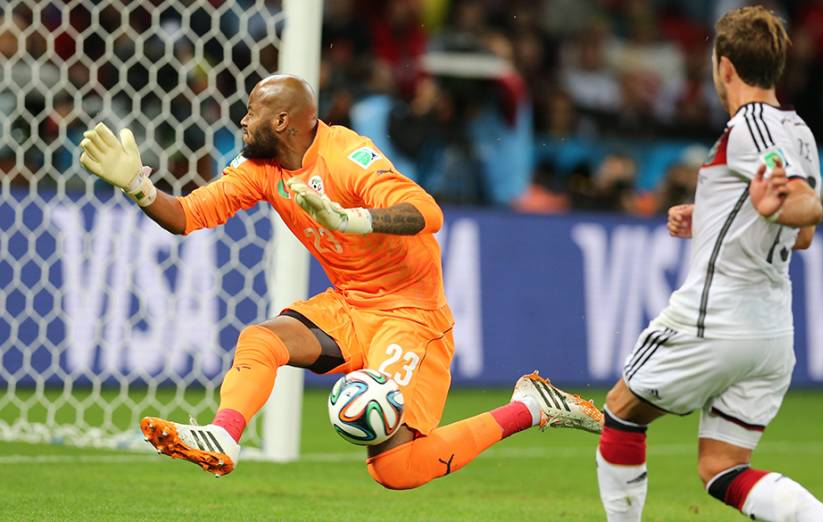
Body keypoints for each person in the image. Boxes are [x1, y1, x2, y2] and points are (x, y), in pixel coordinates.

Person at [78, 74, 602, 487]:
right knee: (261, 339)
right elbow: (188, 215)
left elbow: (427, 210)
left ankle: (527, 407)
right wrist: (138, 186)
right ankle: (223, 436)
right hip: (349, 305)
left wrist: (350, 220)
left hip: (409, 315)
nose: (242, 118)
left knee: (394, 470)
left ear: (282, 120)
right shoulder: (260, 168)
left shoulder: (346, 156)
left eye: (253, 110)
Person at [594, 7, 823, 522]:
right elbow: (802, 236)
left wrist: (781, 203)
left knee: (621, 413)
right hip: (770, 333)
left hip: (715, 318)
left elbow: (804, 208)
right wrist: (713, 214)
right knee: (721, 467)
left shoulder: (751, 126)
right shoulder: (799, 131)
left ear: (723, 66)